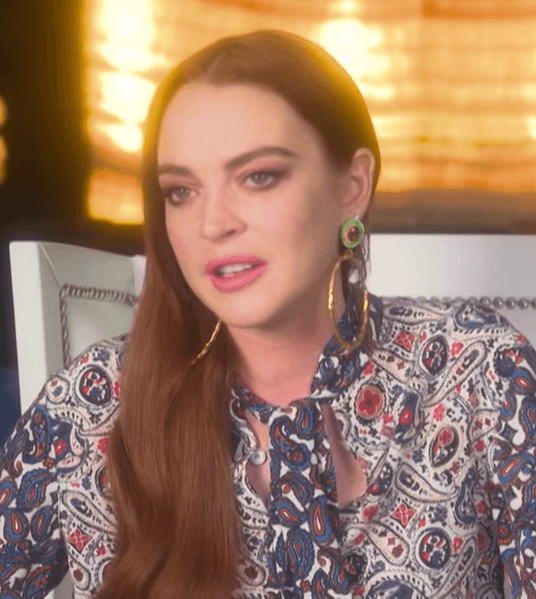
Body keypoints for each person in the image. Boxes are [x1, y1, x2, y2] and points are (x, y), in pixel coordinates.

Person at [1, 29, 535, 599]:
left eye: (258, 177)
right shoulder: (93, 402)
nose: (213, 224)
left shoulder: (476, 371)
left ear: (353, 186)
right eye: (181, 191)